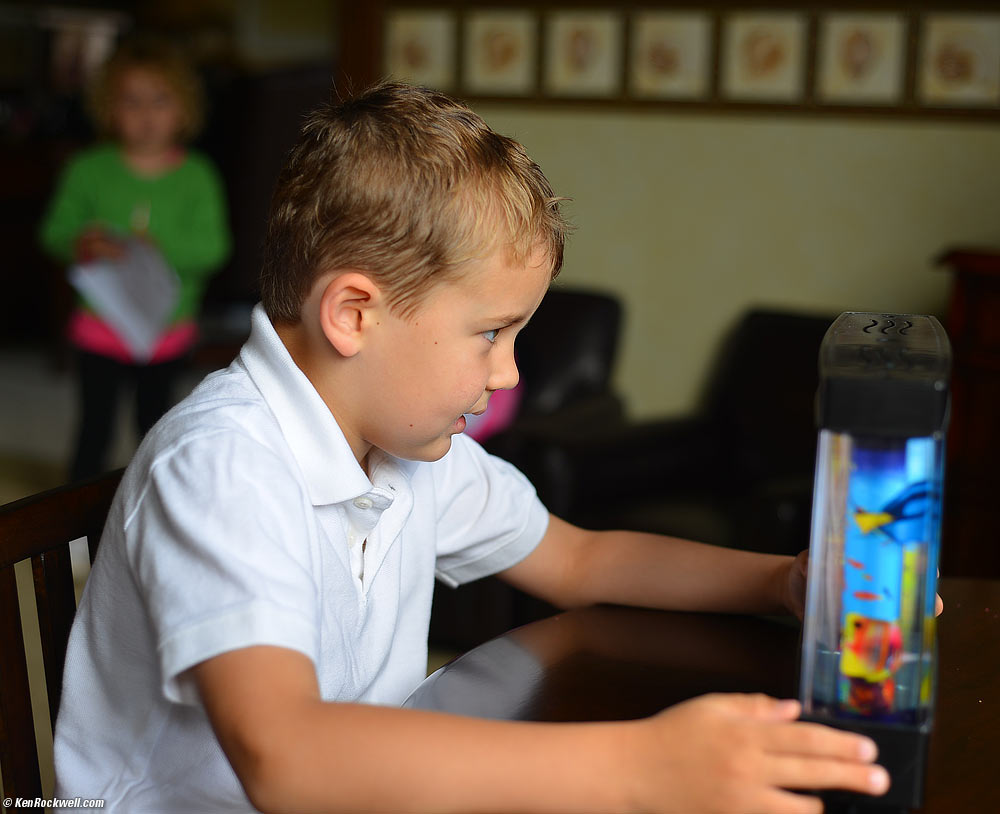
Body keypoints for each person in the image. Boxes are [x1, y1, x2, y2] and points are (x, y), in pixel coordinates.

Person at [54, 81, 889, 814]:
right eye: (491, 333)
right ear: (353, 314)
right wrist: (638, 767)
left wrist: (781, 580)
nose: (509, 371)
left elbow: (580, 561)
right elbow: (285, 757)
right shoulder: (223, 466)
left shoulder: (411, 448)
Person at [39, 36, 230, 482]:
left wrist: (158, 249)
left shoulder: (197, 176)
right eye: (131, 102)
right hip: (100, 328)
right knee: (94, 431)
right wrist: (83, 242)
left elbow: (213, 248)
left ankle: (151, 512)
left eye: (159, 101)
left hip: (166, 331)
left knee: (157, 432)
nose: (146, 115)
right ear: (109, 108)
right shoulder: (87, 169)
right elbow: (53, 233)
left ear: (184, 109)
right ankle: (73, 529)